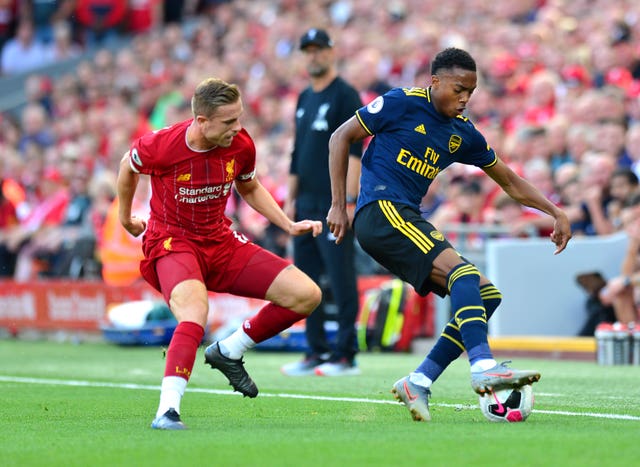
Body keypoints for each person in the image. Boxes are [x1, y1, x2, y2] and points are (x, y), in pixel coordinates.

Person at [326, 47, 572, 422]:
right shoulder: (401, 102)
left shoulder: (463, 133)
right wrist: (338, 205)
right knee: (464, 275)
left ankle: (419, 380)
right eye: (458, 89)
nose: (464, 99)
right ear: (435, 81)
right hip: (381, 211)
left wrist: (554, 211)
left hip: (405, 215)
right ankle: (483, 366)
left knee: (485, 294)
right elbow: (340, 137)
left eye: (470, 92)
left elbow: (509, 181)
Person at [117, 77, 323, 430]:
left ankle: (229, 350)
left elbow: (250, 186)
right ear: (202, 121)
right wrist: (125, 218)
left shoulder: (240, 143)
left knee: (307, 295)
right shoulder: (162, 145)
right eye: (229, 121)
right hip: (172, 243)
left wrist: (287, 224)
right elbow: (127, 167)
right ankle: (167, 410)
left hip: (220, 242)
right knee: (195, 314)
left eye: (239, 118)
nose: (237, 128)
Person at [280, 28, 363, 377]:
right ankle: (315, 350)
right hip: (306, 203)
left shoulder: (345, 95)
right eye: (308, 50)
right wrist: (290, 201)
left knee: (341, 276)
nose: (314, 56)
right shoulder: (303, 98)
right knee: (305, 278)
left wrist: (347, 201)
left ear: (332, 52)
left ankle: (345, 354)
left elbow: (355, 151)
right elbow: (298, 153)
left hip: (334, 202)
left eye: (319, 49)